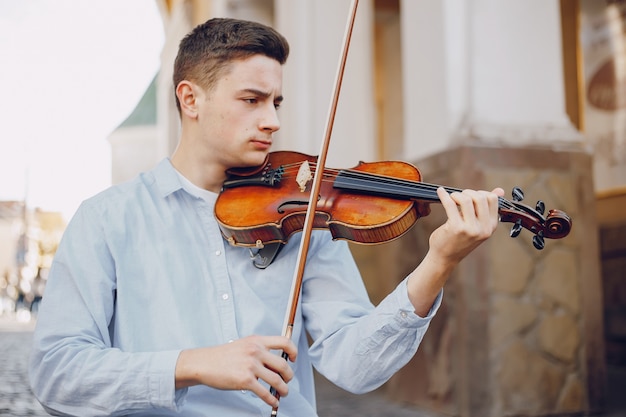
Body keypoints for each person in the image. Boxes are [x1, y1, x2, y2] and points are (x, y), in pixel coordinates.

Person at [29, 17, 504, 416]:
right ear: (190, 99)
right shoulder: (108, 220)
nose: (273, 120)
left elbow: (353, 368)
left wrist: (437, 263)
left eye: (275, 102)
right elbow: (56, 373)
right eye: (251, 100)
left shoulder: (303, 214)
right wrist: (190, 364)